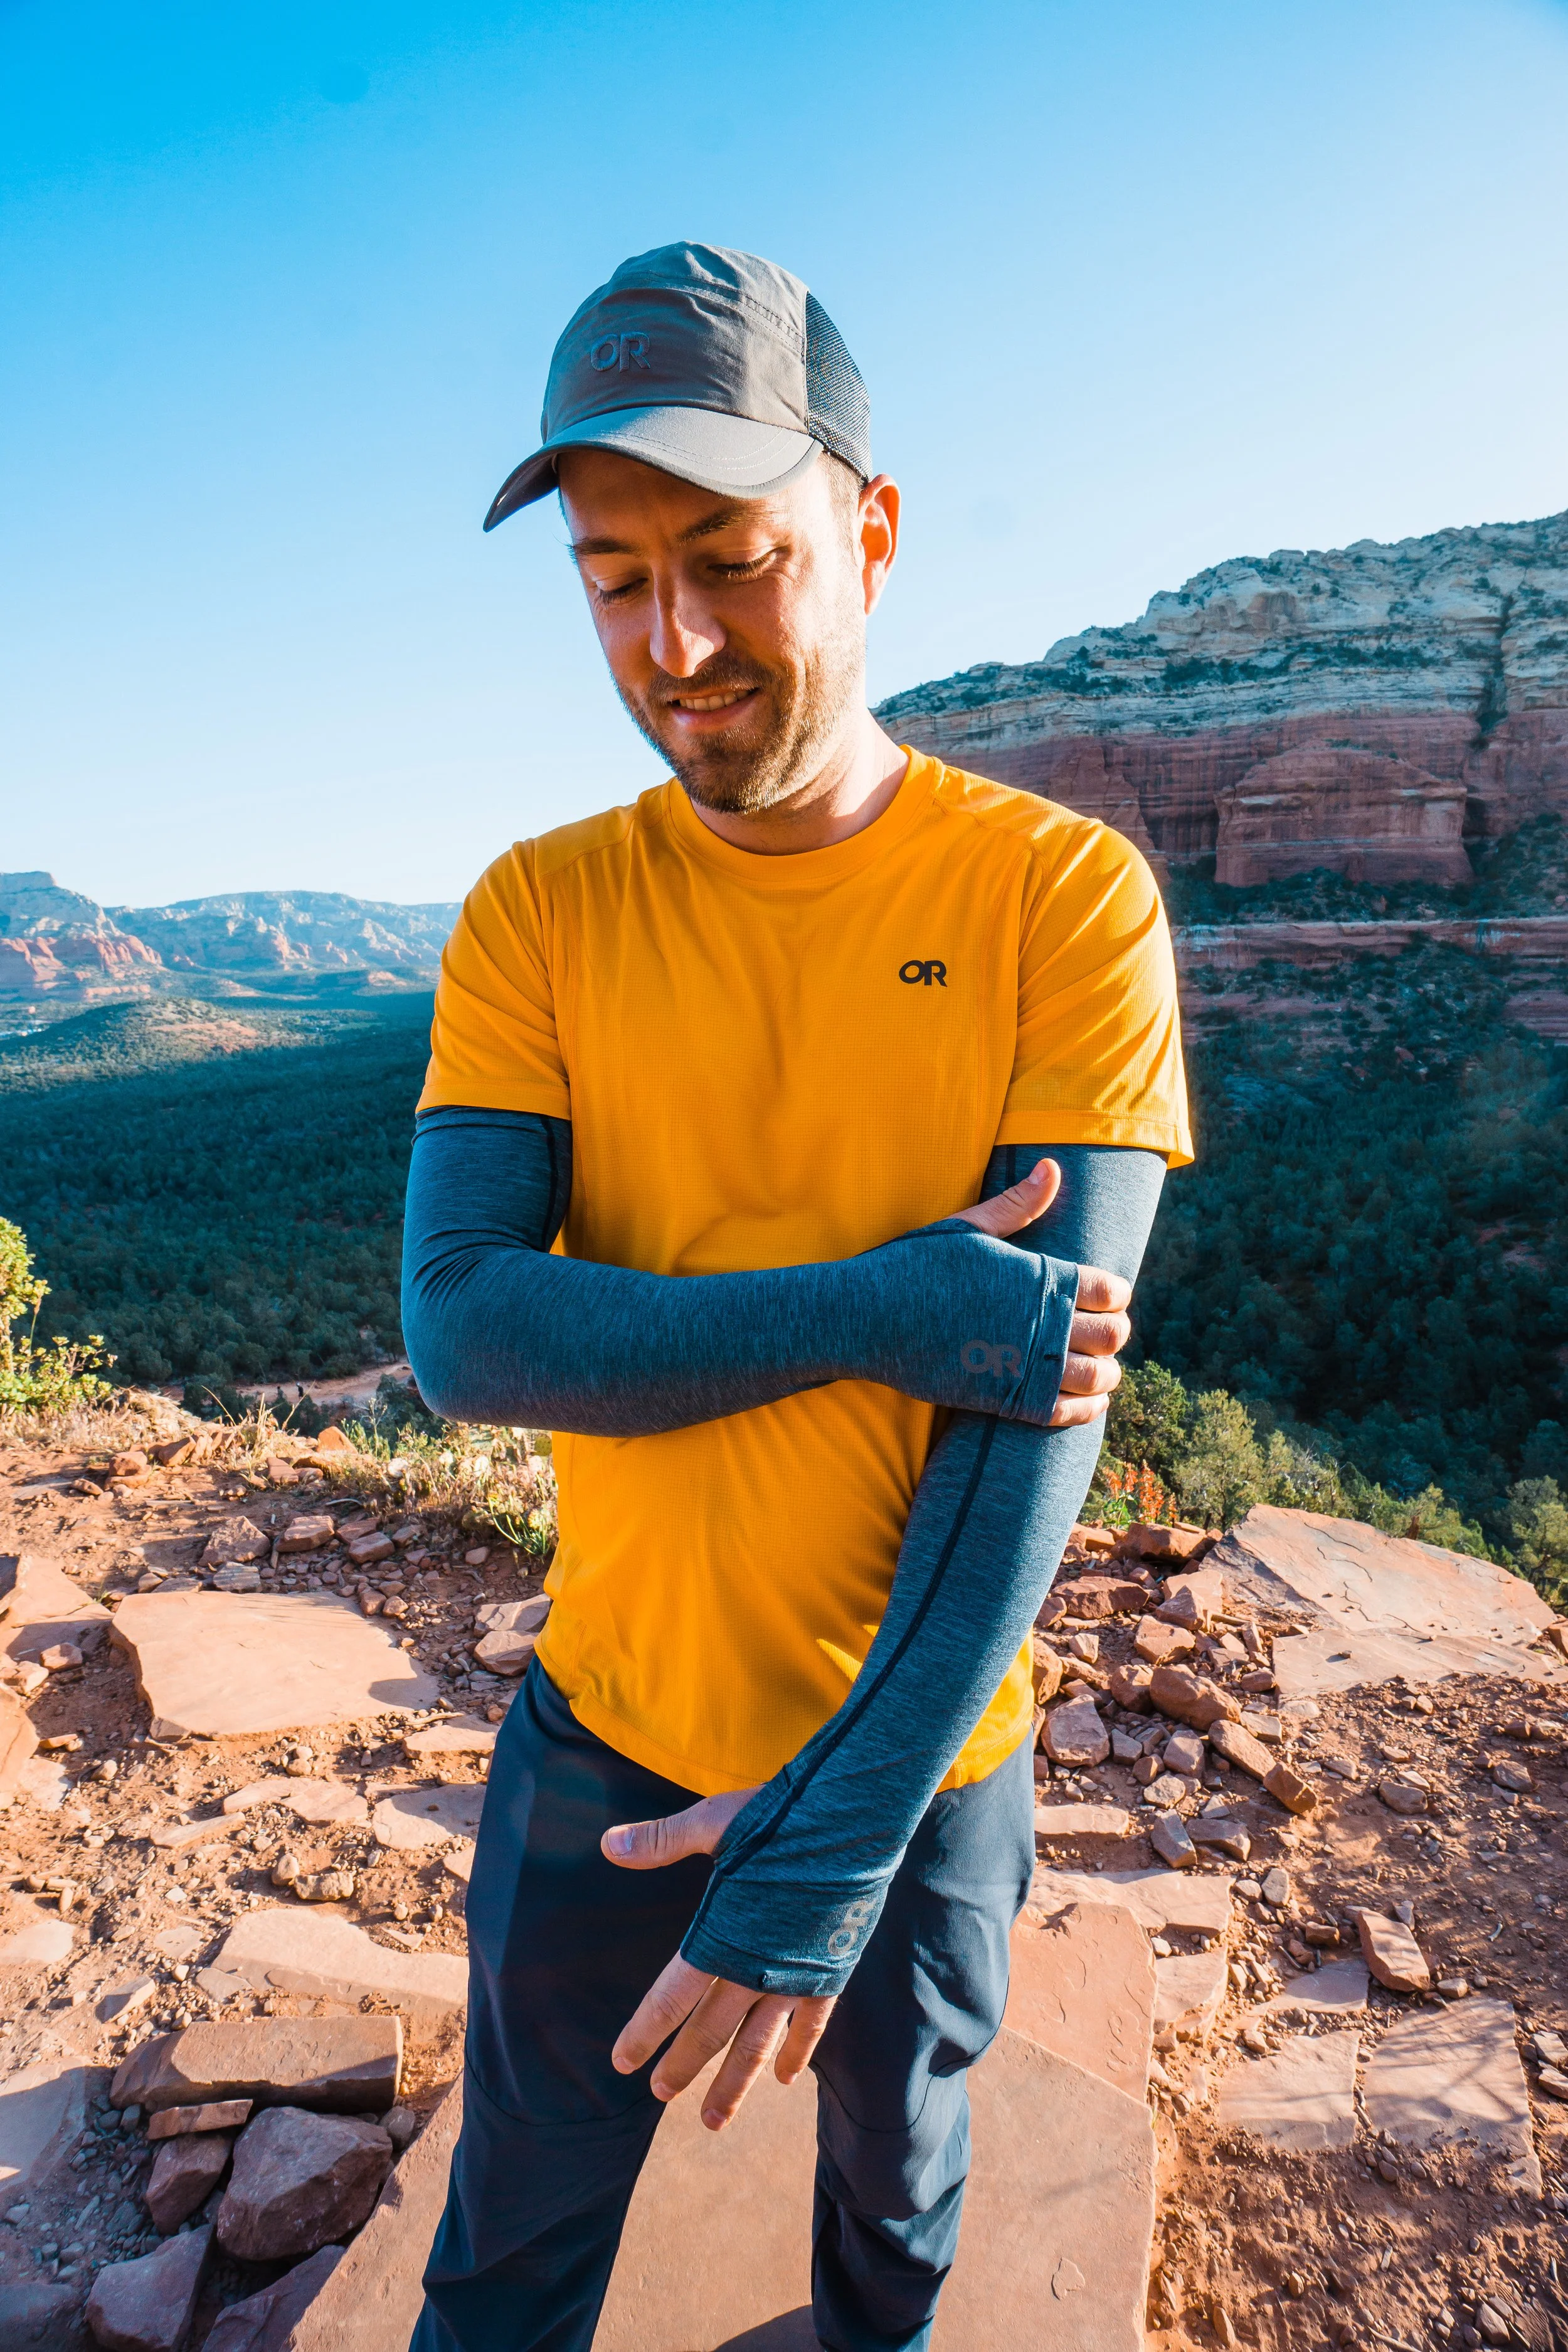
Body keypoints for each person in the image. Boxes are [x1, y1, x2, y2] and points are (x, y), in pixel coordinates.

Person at [401, 241, 1191, 2352]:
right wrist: (874, 1303)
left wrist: (828, 1840)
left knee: (893, 2225)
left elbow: (1039, 1404)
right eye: (612, 578)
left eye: (734, 560)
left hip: (922, 1780)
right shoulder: (540, 910)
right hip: (605, 1736)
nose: (675, 643)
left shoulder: (1059, 896)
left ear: (871, 529)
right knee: (502, 2257)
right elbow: (469, 1329)